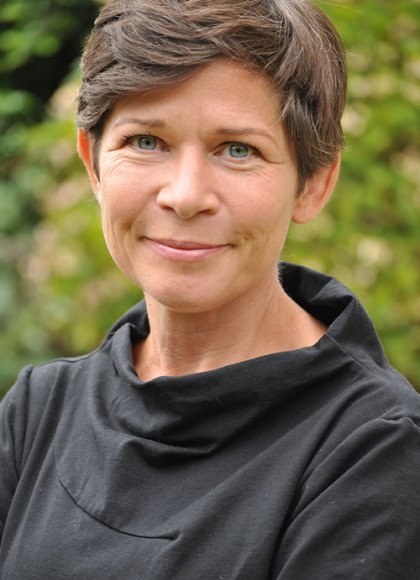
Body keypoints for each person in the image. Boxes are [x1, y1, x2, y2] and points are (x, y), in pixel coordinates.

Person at [1, 0, 419, 578]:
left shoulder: (372, 448)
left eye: (238, 150)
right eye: (146, 141)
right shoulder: (39, 410)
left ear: (313, 185)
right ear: (92, 164)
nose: (185, 196)